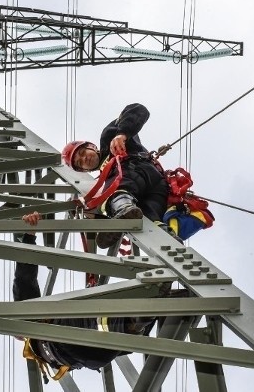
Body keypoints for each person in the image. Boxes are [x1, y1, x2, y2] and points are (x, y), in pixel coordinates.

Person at [13, 211, 159, 382]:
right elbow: (24, 279)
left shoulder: (42, 329)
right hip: (64, 341)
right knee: (104, 323)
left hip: (88, 356)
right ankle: (146, 312)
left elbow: (25, 279)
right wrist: (29, 236)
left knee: (117, 334)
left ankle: (148, 312)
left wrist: (29, 236)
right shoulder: (43, 324)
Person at [61, 103, 173, 248]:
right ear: (83, 171)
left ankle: (123, 207)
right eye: (80, 162)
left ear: (92, 146)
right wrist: (92, 216)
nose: (84, 159)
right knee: (151, 220)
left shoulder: (108, 138)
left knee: (109, 194)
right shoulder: (104, 176)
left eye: (83, 153)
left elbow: (139, 110)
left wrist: (122, 133)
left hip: (135, 170)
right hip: (155, 189)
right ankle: (168, 239)